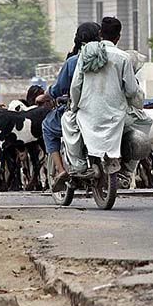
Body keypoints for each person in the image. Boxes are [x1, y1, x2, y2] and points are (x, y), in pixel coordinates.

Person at [67, 17, 151, 179]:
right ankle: (128, 169)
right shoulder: (123, 58)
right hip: (116, 117)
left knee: (68, 123)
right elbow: (132, 90)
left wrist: (74, 107)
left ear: (100, 33)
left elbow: (76, 86)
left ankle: (79, 166)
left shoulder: (86, 53)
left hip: (88, 115)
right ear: (118, 37)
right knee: (145, 121)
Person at [38, 22, 101, 192]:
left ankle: (61, 170)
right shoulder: (112, 58)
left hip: (79, 111)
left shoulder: (73, 62)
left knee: (47, 127)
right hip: (106, 111)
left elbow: (58, 89)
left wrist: (45, 95)